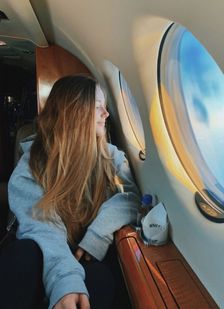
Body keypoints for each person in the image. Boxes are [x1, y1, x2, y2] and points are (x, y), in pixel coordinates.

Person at [1, 74, 140, 309]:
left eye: (105, 107)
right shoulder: (31, 165)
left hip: (83, 252)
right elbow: (43, 229)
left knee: (101, 280)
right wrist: (65, 281)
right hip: (45, 249)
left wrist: (97, 236)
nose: (106, 114)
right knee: (23, 255)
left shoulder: (112, 157)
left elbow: (131, 197)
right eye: (97, 107)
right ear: (74, 112)